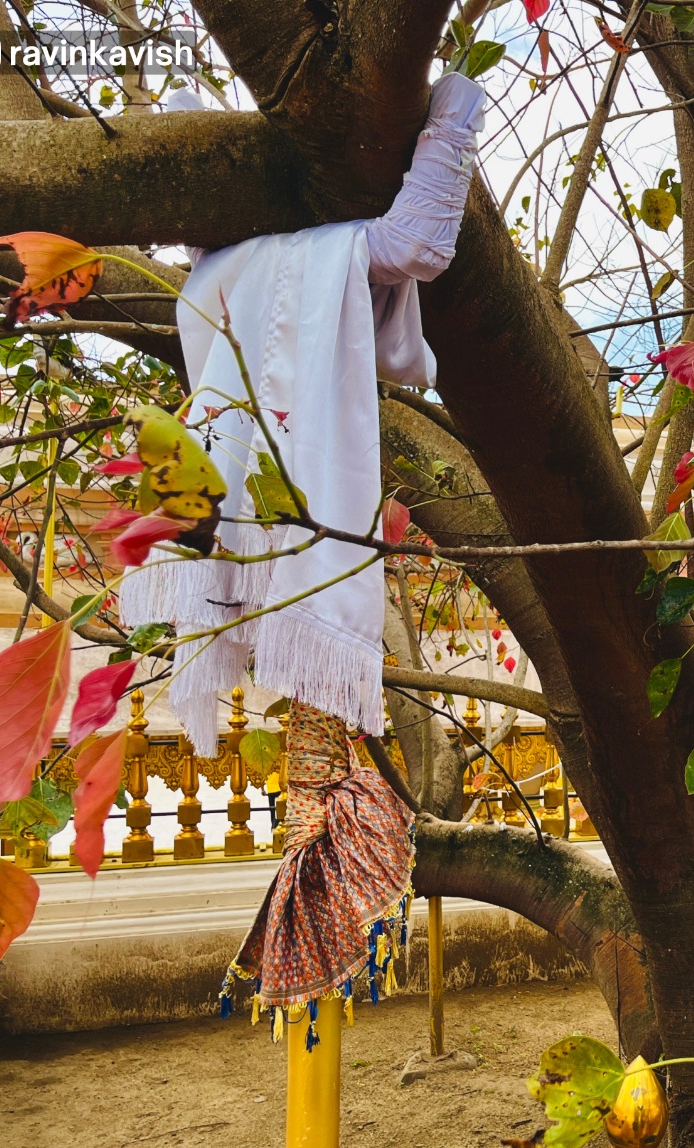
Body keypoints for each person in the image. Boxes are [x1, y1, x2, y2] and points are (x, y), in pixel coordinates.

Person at [122, 72, 487, 753]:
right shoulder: (250, 261)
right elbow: (418, 246)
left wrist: (455, 108)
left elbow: (418, 247)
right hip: (242, 469)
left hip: (237, 471)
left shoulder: (237, 264)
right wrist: (457, 108)